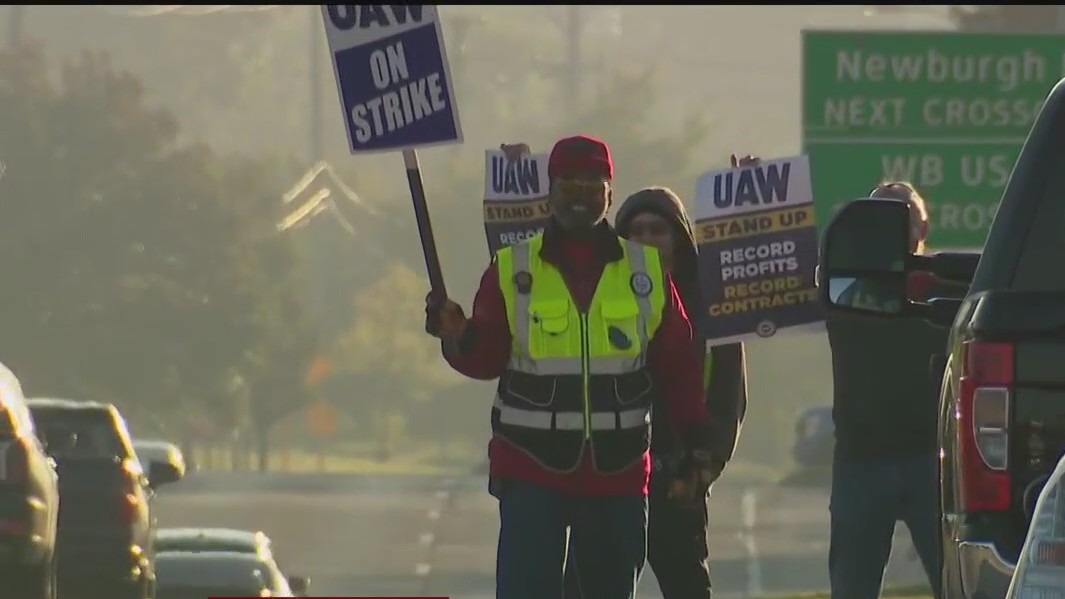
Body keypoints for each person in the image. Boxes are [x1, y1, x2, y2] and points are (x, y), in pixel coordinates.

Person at [424, 135, 720, 599]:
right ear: (550, 190)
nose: (580, 192)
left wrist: (698, 444)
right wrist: (457, 335)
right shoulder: (510, 268)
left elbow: (679, 369)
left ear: (609, 191)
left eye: (592, 182)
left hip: (618, 473)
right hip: (529, 470)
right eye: (568, 182)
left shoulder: (645, 272)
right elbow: (485, 359)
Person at [563, 172, 750, 599]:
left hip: (677, 477)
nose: (647, 239)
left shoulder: (713, 308)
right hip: (605, 475)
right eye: (636, 230)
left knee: (686, 585)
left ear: (679, 239)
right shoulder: (595, 297)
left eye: (658, 230)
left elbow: (726, 398)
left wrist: (703, 469)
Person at [826, 181, 961, 599]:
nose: (890, 224)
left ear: (923, 227)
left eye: (902, 215)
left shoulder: (950, 291)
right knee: (852, 587)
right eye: (878, 214)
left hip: (933, 457)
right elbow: (775, 283)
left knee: (958, 583)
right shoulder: (841, 287)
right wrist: (755, 205)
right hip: (860, 457)